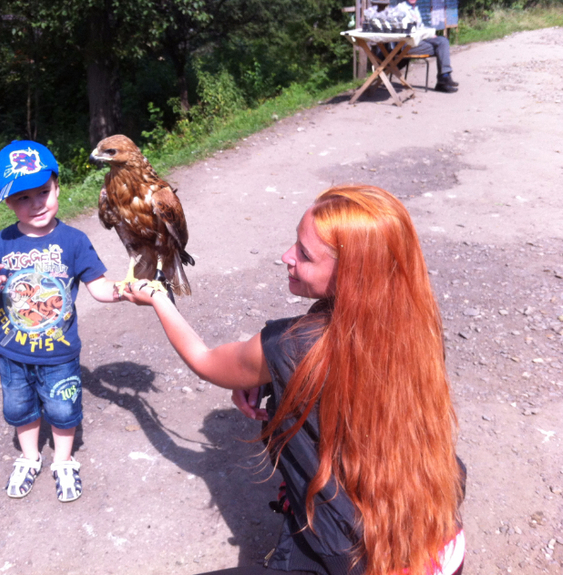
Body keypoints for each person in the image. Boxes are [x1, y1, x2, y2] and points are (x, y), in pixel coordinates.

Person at [123, 185, 466, 575]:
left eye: (304, 254)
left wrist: (158, 298)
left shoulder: (292, 347)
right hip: (439, 542)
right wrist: (272, 380)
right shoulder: (417, 323)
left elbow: (205, 361)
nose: (286, 256)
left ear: (352, 273)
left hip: (348, 558)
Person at [0, 140, 126, 501]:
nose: (36, 204)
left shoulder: (74, 241)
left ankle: (63, 460)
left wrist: (128, 290)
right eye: (22, 198)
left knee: (63, 408)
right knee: (19, 408)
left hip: (59, 352)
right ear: (7, 202)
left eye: (43, 191)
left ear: (57, 187)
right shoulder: (1, 243)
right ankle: (29, 457)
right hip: (12, 352)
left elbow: (99, 287)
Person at [398, 0, 459, 93]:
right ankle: (443, 79)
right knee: (441, 49)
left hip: (419, 39)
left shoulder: (415, 9)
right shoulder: (401, 9)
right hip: (408, 44)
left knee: (443, 41)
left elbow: (420, 27)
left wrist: (430, 34)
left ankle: (445, 77)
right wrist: (428, 34)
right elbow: (409, 30)